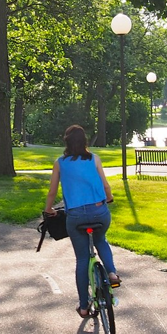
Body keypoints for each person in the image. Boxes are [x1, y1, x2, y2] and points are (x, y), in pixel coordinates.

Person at [44, 124, 119, 318]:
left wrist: (48, 209)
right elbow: (105, 185)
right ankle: (111, 273)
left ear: (66, 142)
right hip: (99, 211)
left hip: (76, 216)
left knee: (83, 258)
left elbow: (52, 191)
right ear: (85, 141)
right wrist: (108, 198)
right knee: (101, 240)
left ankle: (84, 307)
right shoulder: (94, 159)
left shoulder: (60, 163)